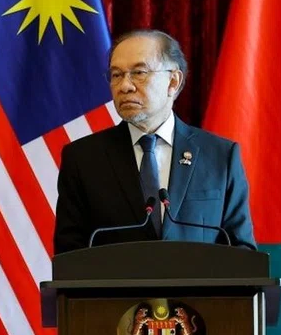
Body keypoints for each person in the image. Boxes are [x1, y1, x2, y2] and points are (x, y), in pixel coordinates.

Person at [54, 29, 256, 252]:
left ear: (173, 81)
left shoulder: (220, 156)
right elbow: (69, 256)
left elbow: (242, 251)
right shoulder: (83, 159)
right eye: (116, 75)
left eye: (139, 72)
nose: (125, 86)